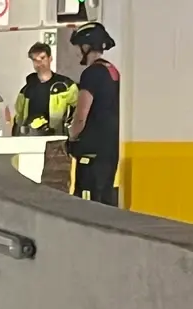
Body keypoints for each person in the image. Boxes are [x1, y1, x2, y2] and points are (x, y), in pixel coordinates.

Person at [67, 22, 120, 206]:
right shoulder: (113, 71)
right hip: (112, 149)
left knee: (86, 206)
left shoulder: (91, 74)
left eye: (77, 47)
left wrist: (71, 137)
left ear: (86, 46)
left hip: (91, 152)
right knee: (105, 201)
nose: (76, 53)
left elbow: (81, 116)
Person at [12, 42, 78, 136]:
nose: (39, 63)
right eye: (35, 60)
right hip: (30, 139)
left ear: (50, 58)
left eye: (42, 58)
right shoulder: (26, 90)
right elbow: (19, 118)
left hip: (57, 138)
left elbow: (78, 109)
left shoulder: (65, 86)